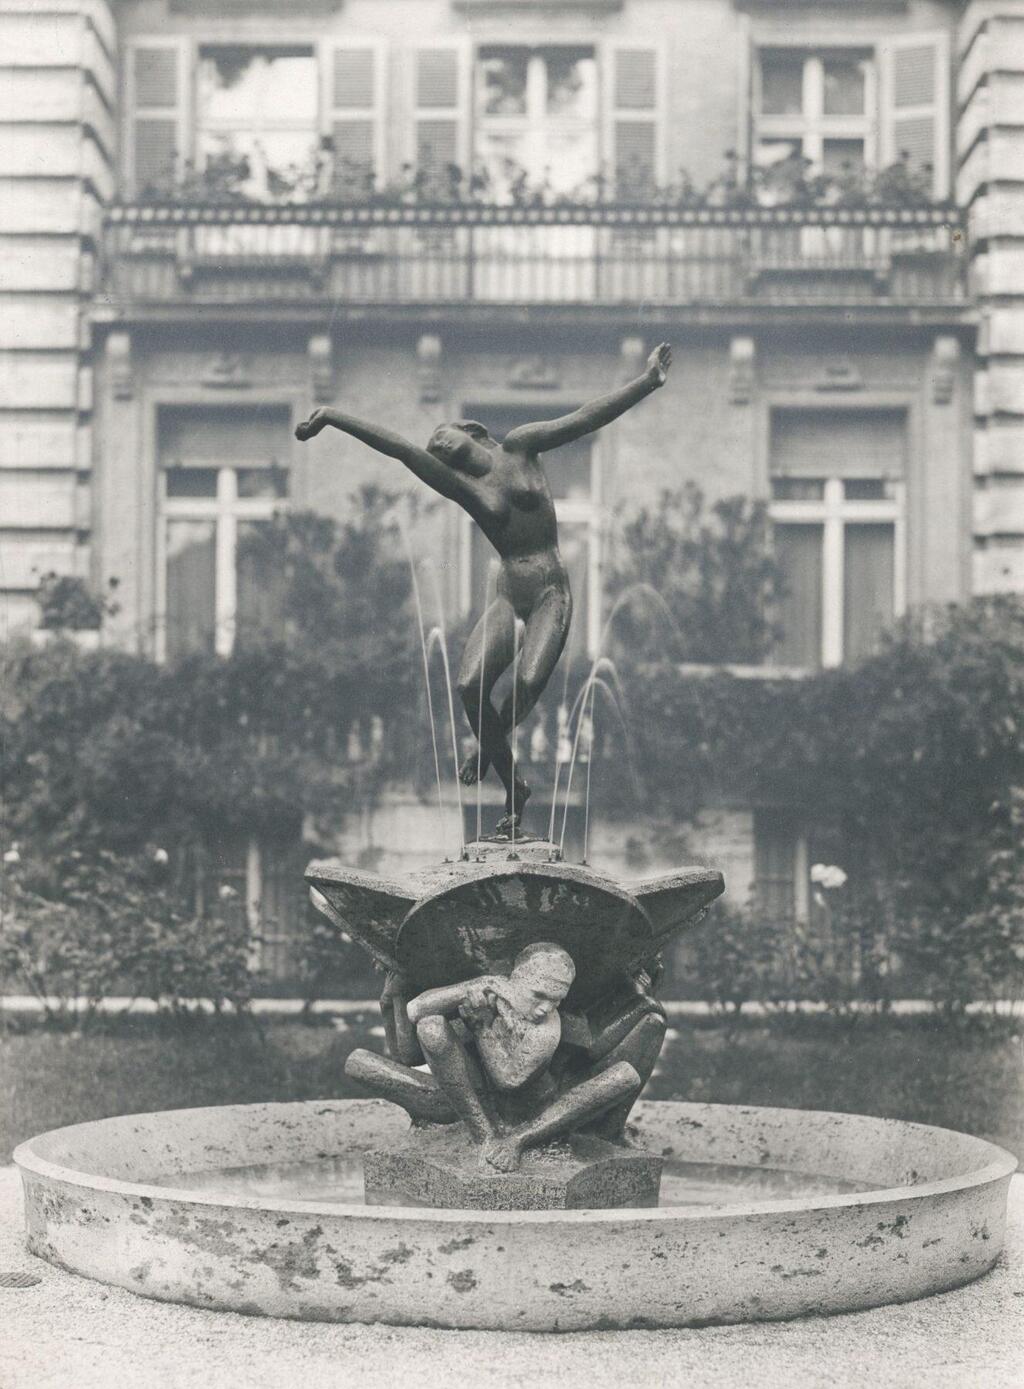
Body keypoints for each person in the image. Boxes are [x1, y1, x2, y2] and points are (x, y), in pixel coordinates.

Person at [295, 343, 672, 834]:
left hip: (549, 594)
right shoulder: (465, 490)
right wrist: (332, 416)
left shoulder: (520, 446)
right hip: (507, 593)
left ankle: (491, 758)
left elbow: (584, 419)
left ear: (470, 431)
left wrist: (645, 382)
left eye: (441, 436)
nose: (436, 447)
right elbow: (402, 450)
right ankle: (513, 785)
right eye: (435, 450)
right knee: (469, 685)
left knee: (524, 687)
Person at [345, 943, 665, 1172]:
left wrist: (482, 1027)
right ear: (515, 979)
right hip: (467, 1101)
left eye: (556, 999)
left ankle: (515, 1141)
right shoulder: (488, 994)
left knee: (623, 1076)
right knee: (414, 1035)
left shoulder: (548, 1025)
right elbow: (411, 1044)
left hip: (539, 1110)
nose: (545, 1007)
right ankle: (484, 1135)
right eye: (538, 995)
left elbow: (510, 1080)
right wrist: (394, 998)